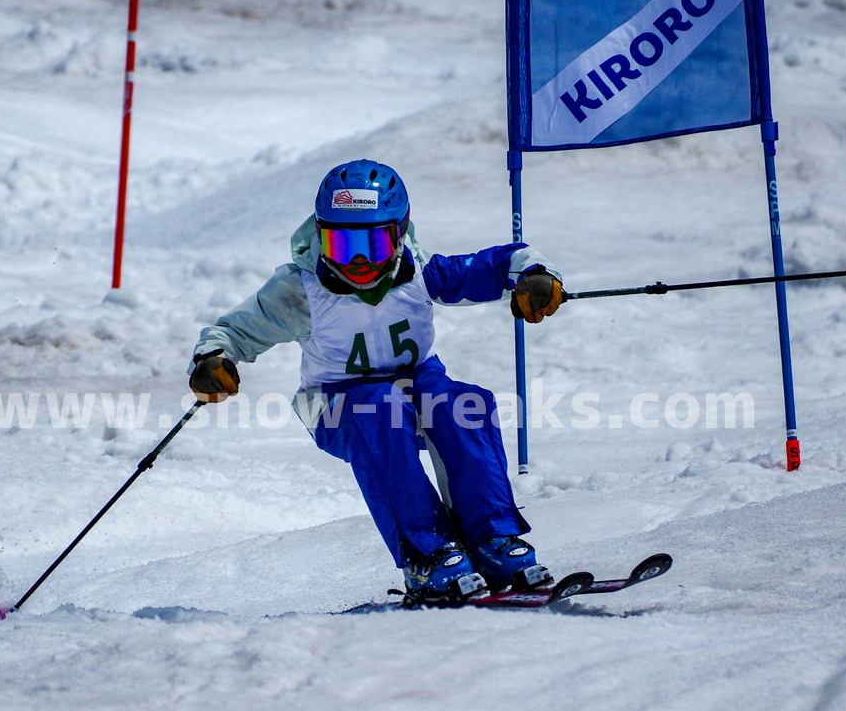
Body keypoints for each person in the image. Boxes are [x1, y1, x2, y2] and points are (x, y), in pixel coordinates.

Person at [188, 159, 564, 604]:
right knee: (380, 408)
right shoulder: (301, 290)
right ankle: (426, 555)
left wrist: (535, 275)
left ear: (400, 234)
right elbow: (235, 330)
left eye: (375, 243)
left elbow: (495, 265)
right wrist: (214, 360)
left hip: (418, 386)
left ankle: (492, 541)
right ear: (320, 235)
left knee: (465, 406)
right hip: (336, 404)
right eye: (344, 245)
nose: (361, 261)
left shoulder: (421, 272)